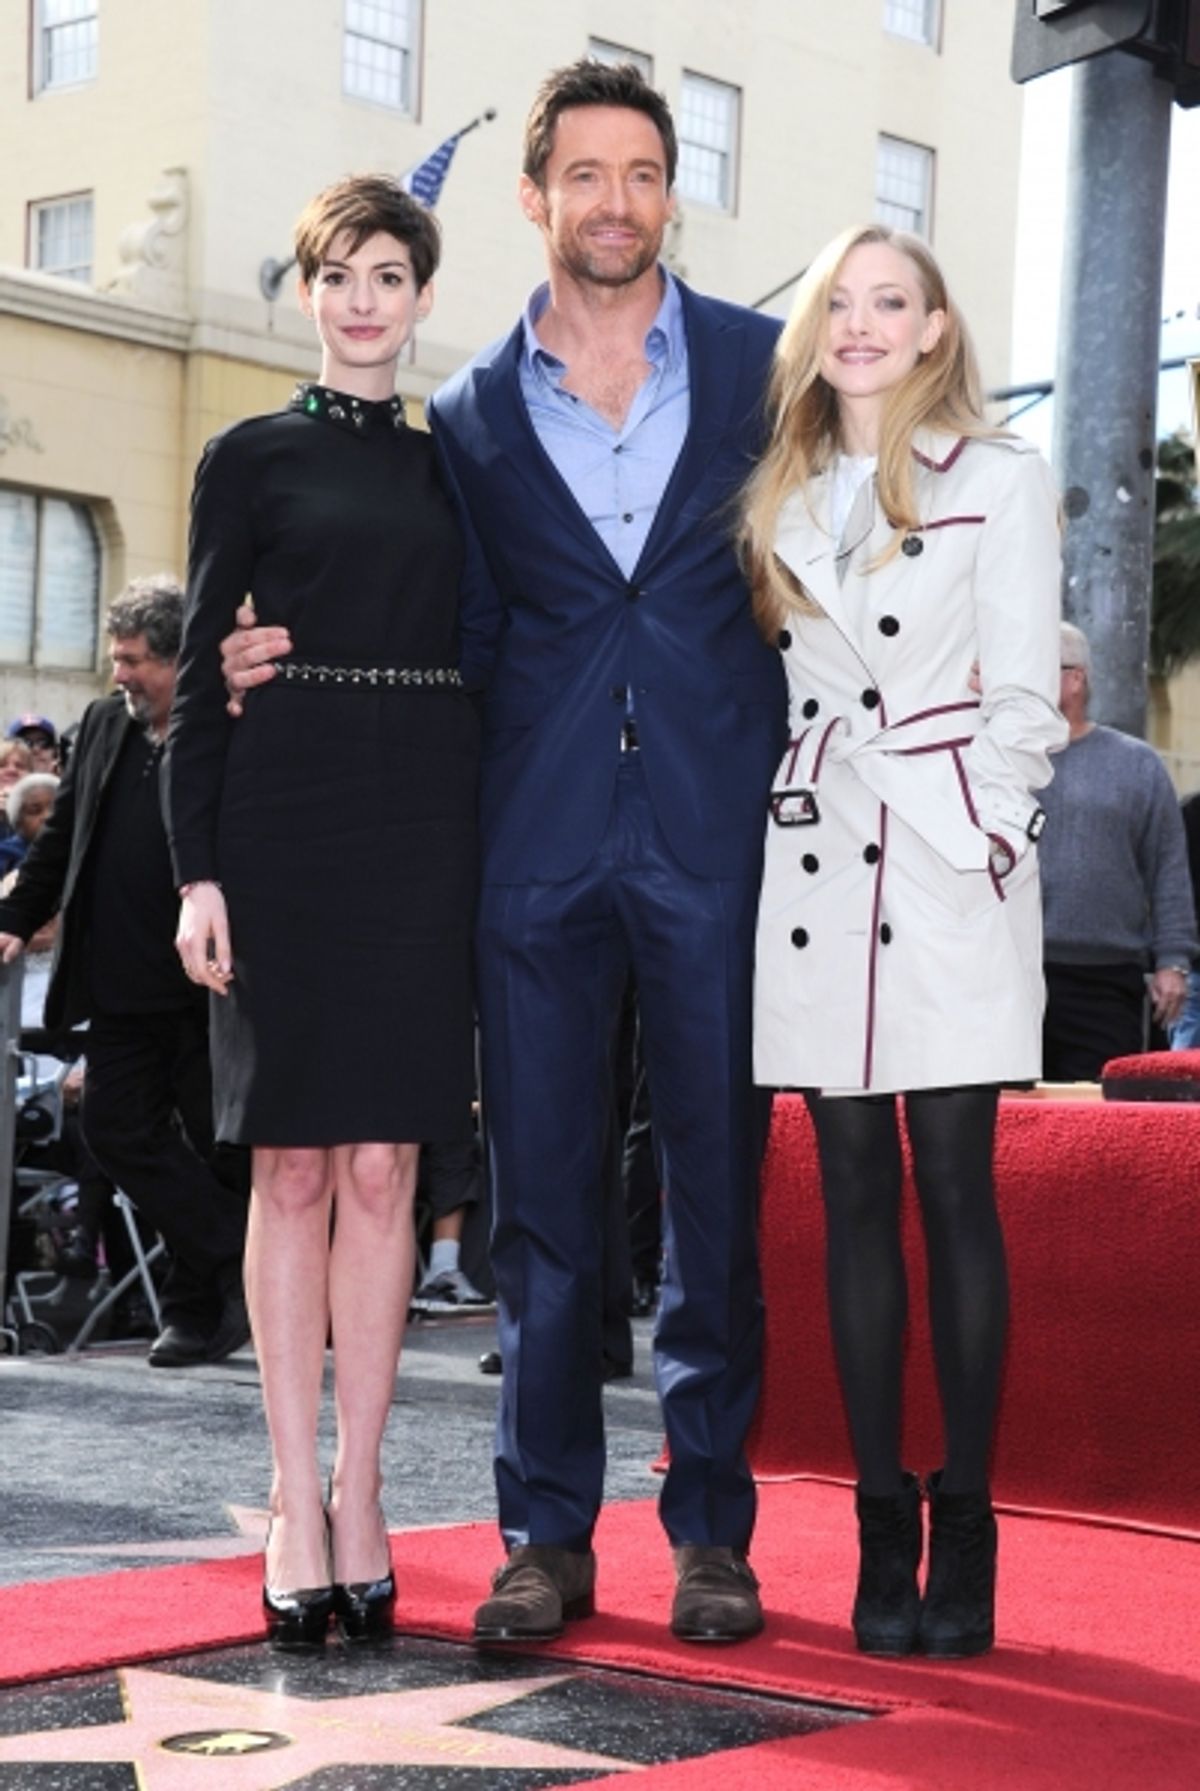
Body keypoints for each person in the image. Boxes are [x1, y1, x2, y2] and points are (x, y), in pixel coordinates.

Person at [221, 61, 785, 1646]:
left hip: (709, 833)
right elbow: (435, 612)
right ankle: (544, 1530)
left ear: (673, 194)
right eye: (584, 175)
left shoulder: (759, 363)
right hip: (526, 844)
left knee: (715, 1193)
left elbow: (836, 547)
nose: (615, 202)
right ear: (533, 198)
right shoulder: (466, 412)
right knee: (537, 1209)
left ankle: (712, 1529)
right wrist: (271, 653)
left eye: (643, 173)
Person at [742, 225, 1066, 1659]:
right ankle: (882, 1512)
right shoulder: (780, 495)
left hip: (945, 866)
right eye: (839, 304)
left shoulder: (1001, 478)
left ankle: (972, 1517)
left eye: (891, 303)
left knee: (956, 1189)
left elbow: (1026, 698)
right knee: (850, 1192)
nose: (860, 325)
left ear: (937, 329)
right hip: (817, 863)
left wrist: (985, 836)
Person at [164, 175, 479, 1651]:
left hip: (421, 826)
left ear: (422, 296)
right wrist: (197, 871)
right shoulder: (248, 455)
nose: (364, 299)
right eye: (339, 274)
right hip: (282, 827)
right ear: (307, 292)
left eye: (389, 275)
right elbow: (192, 696)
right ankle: (294, 1490)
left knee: (385, 1166)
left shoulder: (456, 467)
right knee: (288, 1168)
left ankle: (365, 1489)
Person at [0, 578, 249, 1368]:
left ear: (180, 659)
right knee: (113, 1129)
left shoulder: (229, 721)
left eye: (135, 661)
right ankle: (242, 1252)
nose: (120, 676)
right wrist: (10, 918)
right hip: (117, 980)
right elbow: (63, 835)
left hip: (209, 982)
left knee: (215, 1150)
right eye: (115, 660)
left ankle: (195, 1310)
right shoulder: (106, 723)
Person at [1039, 622, 1195, 1078]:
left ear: (1075, 678)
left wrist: (1173, 963)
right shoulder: (996, 761)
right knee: (1009, 1119)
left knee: (1093, 1122)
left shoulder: (1135, 764)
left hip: (1104, 981)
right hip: (1009, 973)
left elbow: (1168, 867)